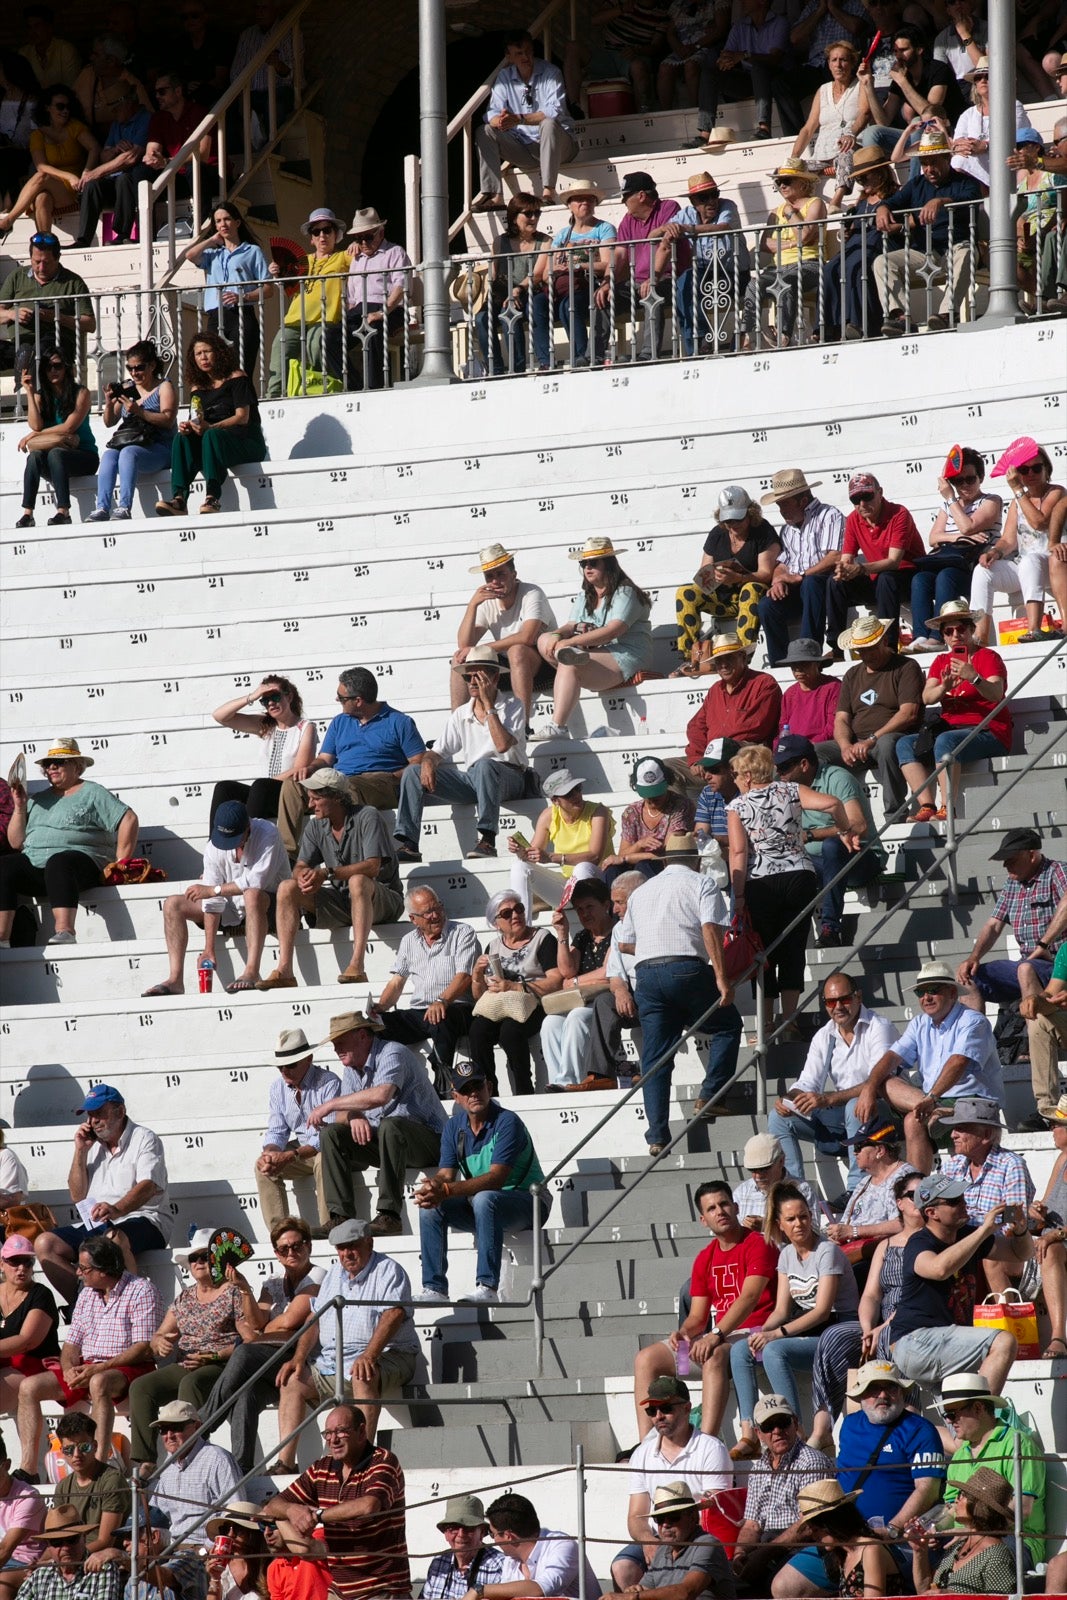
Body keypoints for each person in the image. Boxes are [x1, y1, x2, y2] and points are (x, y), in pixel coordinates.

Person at [618, 838, 741, 1151]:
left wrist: (656, 945)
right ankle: (711, 1094)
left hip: (646, 974)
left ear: (664, 862)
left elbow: (625, 943)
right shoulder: (703, 883)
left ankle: (657, 1135)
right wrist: (721, 977)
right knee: (727, 1025)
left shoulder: (641, 892)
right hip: (685, 967)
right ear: (695, 861)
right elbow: (711, 930)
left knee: (656, 1060)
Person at [727, 743, 860, 1030]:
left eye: (737, 774)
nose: (735, 779)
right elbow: (834, 804)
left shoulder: (738, 806)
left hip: (760, 882)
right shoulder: (790, 790)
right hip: (799, 875)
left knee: (763, 953)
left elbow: (738, 853)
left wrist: (737, 895)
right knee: (794, 948)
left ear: (749, 775)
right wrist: (844, 830)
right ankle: (789, 1020)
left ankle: (766, 1023)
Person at [632, 1183, 777, 1443]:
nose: (720, 1211)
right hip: (720, 1336)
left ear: (736, 1207)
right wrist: (684, 1332)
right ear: (703, 1219)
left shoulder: (759, 1244)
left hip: (756, 1337)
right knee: (646, 1359)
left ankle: (706, 1443)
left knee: (713, 1354)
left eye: (724, 1204)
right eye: (711, 1208)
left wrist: (716, 1334)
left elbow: (749, 1298)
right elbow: (698, 1316)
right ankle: (647, 1446)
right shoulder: (705, 1257)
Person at [729, 1184, 859, 1457]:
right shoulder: (787, 1255)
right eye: (791, 1219)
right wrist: (760, 1332)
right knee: (741, 1349)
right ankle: (750, 1432)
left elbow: (823, 1311)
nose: (799, 1223)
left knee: (776, 1350)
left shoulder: (827, 1252)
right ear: (780, 1224)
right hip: (810, 1331)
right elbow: (781, 1310)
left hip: (838, 1331)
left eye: (803, 1216)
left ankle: (795, 1432)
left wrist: (776, 1335)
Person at [15, 1234, 160, 1477]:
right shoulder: (87, 1294)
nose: (79, 1274)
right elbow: (71, 1344)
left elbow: (142, 1348)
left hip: (129, 1366)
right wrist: (69, 1367)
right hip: (90, 1365)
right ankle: (29, 1468)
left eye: (83, 1268)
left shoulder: (141, 1290)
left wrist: (97, 1369)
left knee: (98, 1382)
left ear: (103, 1270)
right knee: (29, 1386)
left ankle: (100, 1462)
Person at [808, 1172, 927, 1449]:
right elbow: (872, 1294)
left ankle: (905, 1422)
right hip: (880, 1322)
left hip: (913, 1319)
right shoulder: (886, 1244)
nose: (921, 1200)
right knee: (834, 1337)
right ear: (899, 1203)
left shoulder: (930, 1240)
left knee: (888, 1337)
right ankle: (823, 1426)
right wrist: (865, 1328)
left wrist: (881, 1328)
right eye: (914, 1195)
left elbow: (917, 1295)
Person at [126, 1225, 259, 1468]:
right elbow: (159, 1336)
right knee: (141, 1386)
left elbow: (248, 1340)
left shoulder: (232, 1292)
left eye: (205, 1256)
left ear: (217, 1260)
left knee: (191, 1383)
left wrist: (211, 1356)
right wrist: (160, 1342)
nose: (199, 1262)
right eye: (194, 1258)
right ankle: (146, 1461)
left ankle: (186, 1454)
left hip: (222, 1363)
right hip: (187, 1362)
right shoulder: (185, 1297)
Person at [275, 1219, 418, 1444]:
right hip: (334, 1362)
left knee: (363, 1372)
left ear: (369, 1243)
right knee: (292, 1380)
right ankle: (285, 1463)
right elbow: (316, 1318)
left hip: (391, 1355)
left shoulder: (388, 1270)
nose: (347, 1253)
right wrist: (299, 1358)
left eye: (353, 1246)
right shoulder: (333, 1274)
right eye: (341, 1248)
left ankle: (363, 1456)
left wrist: (369, 1355)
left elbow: (394, 1314)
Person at [415, 1065, 548, 1306]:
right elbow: (446, 1174)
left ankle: (488, 1286)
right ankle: (434, 1288)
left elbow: (496, 1178)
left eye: (477, 1086)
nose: (473, 1093)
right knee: (430, 1206)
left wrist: (445, 1190)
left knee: (485, 1198)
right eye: (466, 1090)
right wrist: (433, 1187)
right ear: (456, 1097)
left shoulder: (508, 1121)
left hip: (530, 1202)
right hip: (487, 1206)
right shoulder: (453, 1127)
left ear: (489, 1087)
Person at [259, 768, 403, 989]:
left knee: (357, 880)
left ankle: (357, 964)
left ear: (336, 796)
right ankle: (285, 970)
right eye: (310, 798)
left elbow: (373, 867)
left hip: (383, 900)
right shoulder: (316, 826)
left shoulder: (368, 816)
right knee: (288, 887)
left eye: (316, 799)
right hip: (343, 900)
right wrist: (303, 876)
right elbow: (300, 865)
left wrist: (326, 873)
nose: (310, 805)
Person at [202, 1215, 323, 1474]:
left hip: (302, 1357)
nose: (291, 1252)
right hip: (273, 1357)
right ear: (277, 1254)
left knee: (244, 1352)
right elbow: (258, 1319)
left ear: (309, 1246)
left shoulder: (318, 1276)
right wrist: (244, 1288)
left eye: (297, 1245)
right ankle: (242, 1468)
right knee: (246, 1393)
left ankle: (203, 1422)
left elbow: (286, 1322)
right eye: (284, 1248)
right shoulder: (273, 1281)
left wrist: (261, 1328)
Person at [309, 1009, 445, 1238]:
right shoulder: (352, 1068)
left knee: (391, 1126)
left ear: (362, 1035)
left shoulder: (393, 1052)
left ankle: (389, 1215)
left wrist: (331, 1104)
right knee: (331, 1133)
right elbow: (342, 1115)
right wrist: (354, 1116)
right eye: (334, 1043)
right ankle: (340, 1217)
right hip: (389, 1141)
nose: (336, 1049)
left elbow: (382, 1094)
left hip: (429, 1141)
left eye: (341, 1041)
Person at [32, 1082, 170, 1307]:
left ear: (120, 1111)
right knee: (44, 1243)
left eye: (99, 1113)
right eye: (90, 1114)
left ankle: (131, 1307)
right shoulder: (91, 1144)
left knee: (112, 1239)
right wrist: (80, 1151)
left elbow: (149, 1185)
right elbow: (77, 1196)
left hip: (146, 1220)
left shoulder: (144, 1138)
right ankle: (85, 1308)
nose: (93, 1120)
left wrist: (117, 1209)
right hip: (99, 1223)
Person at [856, 962, 1003, 1172]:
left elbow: (958, 1062)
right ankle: (934, 1114)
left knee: (911, 1120)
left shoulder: (973, 1021)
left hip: (972, 1102)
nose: (926, 997)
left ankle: (917, 1190)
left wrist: (931, 1097)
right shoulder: (919, 1023)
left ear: (952, 993)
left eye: (933, 990)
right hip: (936, 1101)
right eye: (921, 992)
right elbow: (891, 1057)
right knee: (884, 1082)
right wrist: (869, 1088)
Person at [885, 1171, 1018, 1394]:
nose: (964, 1204)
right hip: (916, 1341)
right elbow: (939, 1269)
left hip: (942, 1342)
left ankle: (976, 1418)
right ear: (931, 1212)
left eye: (963, 1198)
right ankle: (982, 1409)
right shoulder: (918, 1243)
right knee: (1003, 1342)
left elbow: (1017, 1254)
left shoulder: (966, 1234)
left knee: (964, 1422)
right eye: (955, 1201)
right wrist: (984, 1231)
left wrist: (1022, 1230)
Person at [394, 646, 528, 864]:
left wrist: (489, 706)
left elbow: (502, 745)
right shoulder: (462, 713)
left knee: (485, 765)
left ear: (493, 678)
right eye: (468, 676)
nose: (472, 682)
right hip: (476, 778)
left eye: (478, 675)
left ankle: (487, 839)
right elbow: (437, 751)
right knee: (413, 772)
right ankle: (409, 844)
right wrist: (428, 763)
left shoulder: (513, 705)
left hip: (510, 776)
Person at [142, 799, 290, 997]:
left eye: (235, 838)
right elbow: (211, 898)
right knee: (172, 904)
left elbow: (256, 882)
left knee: (252, 895)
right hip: (232, 907)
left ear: (248, 827)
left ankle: (252, 971)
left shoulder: (268, 833)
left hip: (272, 907)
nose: (229, 845)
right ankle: (175, 979)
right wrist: (208, 949)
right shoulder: (214, 845)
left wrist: (214, 890)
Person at [0, 738, 137, 950]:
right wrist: (19, 807)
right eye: (48, 764)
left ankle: (65, 931)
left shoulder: (92, 791)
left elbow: (128, 819)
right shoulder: (37, 800)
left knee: (59, 861)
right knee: (5, 864)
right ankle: (2, 938)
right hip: (38, 866)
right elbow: (16, 842)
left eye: (60, 762)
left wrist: (121, 861)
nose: (52, 767)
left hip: (79, 865)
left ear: (77, 766)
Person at [263, 1400, 408, 1600]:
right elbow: (273, 1506)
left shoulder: (383, 1461)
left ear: (361, 1431)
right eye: (328, 1434)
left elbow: (369, 1505)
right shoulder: (322, 1468)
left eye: (340, 1431)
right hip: (340, 1590)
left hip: (381, 1589)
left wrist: (317, 1516)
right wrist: (291, 1511)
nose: (333, 1440)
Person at [274, 667, 425, 859]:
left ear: (359, 701)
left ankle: (349, 853)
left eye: (341, 697)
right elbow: (326, 759)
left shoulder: (399, 722)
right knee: (293, 785)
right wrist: (310, 768)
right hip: (340, 778)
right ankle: (287, 854)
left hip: (380, 780)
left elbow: (418, 762)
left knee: (348, 786)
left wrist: (395, 776)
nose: (337, 700)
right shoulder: (340, 722)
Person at [612, 1377, 732, 1590]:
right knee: (623, 1567)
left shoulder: (711, 1449)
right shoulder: (642, 1454)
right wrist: (649, 1541)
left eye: (666, 1408)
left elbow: (714, 1513)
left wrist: (670, 1546)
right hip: (658, 1534)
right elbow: (635, 1516)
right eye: (652, 1410)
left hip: (694, 1537)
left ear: (687, 1408)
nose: (658, 1416)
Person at [896, 601, 1011, 824]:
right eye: (949, 631)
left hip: (989, 729)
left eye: (961, 629)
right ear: (944, 637)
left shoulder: (988, 657)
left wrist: (974, 677)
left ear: (971, 630)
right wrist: (944, 688)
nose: (956, 635)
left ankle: (948, 808)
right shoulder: (940, 661)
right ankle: (927, 806)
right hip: (954, 728)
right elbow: (927, 698)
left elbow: (996, 693)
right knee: (903, 744)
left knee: (945, 741)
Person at [534, 537, 653, 740]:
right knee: (544, 639)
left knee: (569, 663)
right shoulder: (586, 594)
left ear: (608, 563)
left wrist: (570, 642)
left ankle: (558, 726)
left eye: (593, 562)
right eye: (583, 563)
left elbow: (613, 630)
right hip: (597, 653)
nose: (587, 567)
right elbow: (571, 626)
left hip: (625, 654)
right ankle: (571, 659)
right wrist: (557, 636)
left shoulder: (626, 592)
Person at [772, 735, 883, 949]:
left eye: (785, 767)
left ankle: (830, 928)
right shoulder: (784, 788)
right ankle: (786, 940)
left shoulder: (837, 778)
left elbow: (858, 826)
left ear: (804, 764)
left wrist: (812, 835)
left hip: (860, 858)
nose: (780, 774)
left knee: (832, 845)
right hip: (819, 864)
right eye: (778, 767)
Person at [871, 125, 983, 335]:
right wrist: (882, 209)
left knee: (967, 253)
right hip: (924, 253)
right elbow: (892, 201)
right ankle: (900, 317)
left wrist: (941, 201)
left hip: (955, 248)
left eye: (933, 162)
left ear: (946, 159)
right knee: (882, 262)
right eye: (924, 163)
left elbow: (971, 198)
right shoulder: (916, 184)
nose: (929, 169)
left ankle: (946, 314)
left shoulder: (965, 181)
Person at [372, 886, 480, 1083]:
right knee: (375, 1027)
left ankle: (443, 1084)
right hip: (421, 1011)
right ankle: (385, 1083)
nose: (435, 915)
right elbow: (397, 982)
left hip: (456, 1008)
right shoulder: (408, 941)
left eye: (437, 908)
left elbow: (465, 976)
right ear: (413, 919)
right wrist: (380, 1007)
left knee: (439, 1019)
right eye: (427, 912)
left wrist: (442, 1001)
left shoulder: (463, 932)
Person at [941, 1373, 1045, 1571]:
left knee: (968, 1566)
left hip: (1017, 1541)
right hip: (967, 1540)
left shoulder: (1018, 1443)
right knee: (920, 1553)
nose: (949, 1421)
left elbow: (1022, 1510)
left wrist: (975, 1532)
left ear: (979, 1408)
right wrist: (929, 1529)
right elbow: (950, 1508)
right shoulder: (960, 1454)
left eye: (952, 1414)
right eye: (946, 1415)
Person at [155, 331, 265, 517]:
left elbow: (242, 417)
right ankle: (179, 499)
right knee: (182, 438)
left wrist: (210, 428)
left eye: (207, 351)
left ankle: (212, 497)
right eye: (198, 354)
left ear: (219, 353)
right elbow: (197, 417)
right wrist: (190, 426)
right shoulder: (197, 388)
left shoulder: (237, 377)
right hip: (214, 442)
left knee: (211, 435)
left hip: (245, 441)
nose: (203, 357)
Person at [956, 827, 1066, 1011]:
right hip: (1028, 962)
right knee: (967, 978)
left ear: (1031, 855)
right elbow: (993, 925)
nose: (1005, 865)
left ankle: (1037, 1036)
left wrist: (1044, 944)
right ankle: (976, 1038)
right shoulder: (1012, 884)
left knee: (1025, 970)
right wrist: (973, 957)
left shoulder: (1058, 871)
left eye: (1011, 860)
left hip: (1058, 964)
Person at [939, 1096, 1038, 1298]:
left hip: (1005, 1246)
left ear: (985, 1134)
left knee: (987, 1254)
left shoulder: (1011, 1164)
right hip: (961, 1241)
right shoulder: (952, 1165)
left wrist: (980, 1234)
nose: (953, 1135)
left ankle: (1006, 1321)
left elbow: (1014, 1220)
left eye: (961, 1128)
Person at [674, 485, 781, 668]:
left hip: (751, 594)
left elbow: (766, 573)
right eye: (728, 520)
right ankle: (689, 658)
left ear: (750, 513)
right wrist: (713, 575)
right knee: (685, 593)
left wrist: (739, 578)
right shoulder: (718, 533)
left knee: (751, 589)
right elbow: (703, 571)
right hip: (722, 598)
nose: (732, 524)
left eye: (737, 518)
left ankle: (742, 657)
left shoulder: (763, 531)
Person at [467, 890, 561, 1094]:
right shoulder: (492, 946)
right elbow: (479, 995)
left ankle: (523, 1091)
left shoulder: (542, 938)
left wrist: (516, 987)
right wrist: (476, 973)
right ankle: (487, 1091)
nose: (516, 915)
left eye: (519, 909)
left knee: (510, 1031)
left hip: (535, 1003)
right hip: (502, 1005)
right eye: (507, 913)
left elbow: (556, 981)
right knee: (477, 1031)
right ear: (495, 923)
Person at [971, 439, 1065, 643]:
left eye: (1036, 468)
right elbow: (1008, 539)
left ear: (1046, 469)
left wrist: (1018, 490)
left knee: (1030, 561)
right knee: (982, 572)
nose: (1030, 474)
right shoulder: (1018, 500)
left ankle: (1034, 629)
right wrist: (994, 552)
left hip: (1054, 565)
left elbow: (1039, 522)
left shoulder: (1056, 492)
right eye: (1024, 469)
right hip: (1026, 566)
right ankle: (980, 636)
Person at [906, 452, 1002, 649]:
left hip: (974, 567)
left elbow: (968, 526)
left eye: (970, 479)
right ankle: (921, 635)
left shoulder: (991, 500)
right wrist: (958, 537)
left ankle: (938, 636)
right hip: (952, 559)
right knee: (920, 579)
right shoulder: (948, 505)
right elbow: (934, 538)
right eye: (958, 481)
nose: (964, 485)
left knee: (945, 576)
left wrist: (951, 498)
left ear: (981, 478)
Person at [832, 612, 924, 819]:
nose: (865, 655)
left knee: (887, 744)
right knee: (813, 755)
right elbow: (841, 718)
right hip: (857, 743)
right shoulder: (852, 674)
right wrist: (845, 745)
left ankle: (895, 814)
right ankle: (828, 819)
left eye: (870, 648)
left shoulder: (906, 667)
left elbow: (908, 713)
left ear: (884, 641)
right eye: (860, 650)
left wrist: (872, 739)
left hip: (893, 736)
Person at [473, 30, 577, 210]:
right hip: (524, 148)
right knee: (484, 131)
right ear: (509, 56)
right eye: (519, 53)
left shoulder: (551, 72)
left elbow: (554, 110)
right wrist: (501, 120)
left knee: (548, 123)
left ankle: (548, 192)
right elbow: (491, 113)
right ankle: (494, 195)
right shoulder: (505, 77)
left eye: (528, 51)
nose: (525, 57)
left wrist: (519, 119)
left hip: (560, 147)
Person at [451, 543, 556, 722]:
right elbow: (464, 644)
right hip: (508, 668)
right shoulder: (487, 601)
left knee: (517, 650)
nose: (495, 581)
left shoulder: (531, 593)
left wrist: (481, 648)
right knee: (459, 658)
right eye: (489, 576)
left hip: (545, 667)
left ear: (513, 575)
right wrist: (472, 605)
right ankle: (457, 725)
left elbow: (527, 637)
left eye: (501, 574)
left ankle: (522, 726)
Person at [731, 1397, 830, 1585]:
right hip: (769, 1545)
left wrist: (763, 1554)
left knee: (775, 1582)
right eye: (769, 1426)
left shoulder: (811, 1462)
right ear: (758, 1433)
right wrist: (740, 1553)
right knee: (722, 1579)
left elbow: (809, 1524)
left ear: (794, 1423)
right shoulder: (758, 1468)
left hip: (802, 1546)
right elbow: (752, 1524)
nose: (777, 1431)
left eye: (782, 1423)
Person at [825, 477, 926, 654]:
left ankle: (888, 646)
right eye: (856, 500)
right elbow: (847, 559)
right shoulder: (853, 519)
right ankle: (836, 647)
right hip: (879, 580)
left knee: (886, 578)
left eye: (867, 497)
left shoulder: (899, 513)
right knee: (835, 582)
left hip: (907, 577)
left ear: (880, 493)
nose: (862, 504)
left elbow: (894, 561)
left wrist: (861, 569)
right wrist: (842, 570)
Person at [254, 1031, 341, 1233]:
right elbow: (277, 1130)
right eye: (280, 1066)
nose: (284, 1070)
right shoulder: (278, 1088)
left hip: (327, 1148)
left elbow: (327, 1135)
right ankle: (280, 1233)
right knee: (263, 1166)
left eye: (291, 1064)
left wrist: (290, 1155)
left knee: (324, 1158)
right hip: (303, 1149)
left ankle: (329, 1226)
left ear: (308, 1059)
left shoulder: (329, 1083)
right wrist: (270, 1154)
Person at [598, 171, 691, 362]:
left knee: (651, 292)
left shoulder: (668, 207)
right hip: (638, 281)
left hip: (668, 277)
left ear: (641, 196)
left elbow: (666, 244)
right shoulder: (627, 220)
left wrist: (653, 277)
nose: (623, 202)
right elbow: (619, 253)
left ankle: (648, 354)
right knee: (603, 298)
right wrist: (607, 283)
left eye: (625, 196)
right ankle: (595, 355)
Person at [756, 470, 845, 667]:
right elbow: (781, 564)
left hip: (825, 585)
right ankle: (779, 663)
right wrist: (778, 580)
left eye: (784, 504)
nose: (781, 510)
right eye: (780, 505)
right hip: (800, 585)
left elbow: (835, 556)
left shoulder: (830, 515)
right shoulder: (787, 529)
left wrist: (803, 576)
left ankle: (807, 652)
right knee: (766, 604)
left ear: (803, 501)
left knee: (811, 584)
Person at [209, 675, 318, 830]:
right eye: (265, 700)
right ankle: (215, 847)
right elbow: (219, 716)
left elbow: (298, 770)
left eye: (275, 696)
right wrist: (252, 697)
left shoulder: (306, 727)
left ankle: (249, 841)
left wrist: (262, 786)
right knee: (225, 788)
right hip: (262, 792)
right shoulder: (266, 725)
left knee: (261, 786)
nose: (271, 703)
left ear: (289, 696)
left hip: (290, 794)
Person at [570, 868, 644, 1093]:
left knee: (653, 994)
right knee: (604, 1001)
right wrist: (620, 991)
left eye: (620, 902)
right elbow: (614, 973)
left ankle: (650, 1067)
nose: (616, 908)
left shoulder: (653, 923)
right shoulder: (620, 929)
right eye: (615, 902)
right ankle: (600, 1075)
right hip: (629, 994)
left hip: (653, 990)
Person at [741, 160, 826, 352]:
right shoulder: (774, 212)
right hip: (777, 267)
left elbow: (804, 235)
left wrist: (790, 213)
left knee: (785, 280)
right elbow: (764, 244)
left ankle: (783, 334)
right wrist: (791, 244)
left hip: (808, 264)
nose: (782, 186)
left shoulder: (815, 204)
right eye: (779, 182)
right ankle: (746, 334)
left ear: (803, 182)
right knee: (754, 284)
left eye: (786, 181)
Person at [541, 879, 617, 1089]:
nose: (584, 914)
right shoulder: (583, 937)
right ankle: (558, 1081)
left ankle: (569, 1081)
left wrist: (574, 982)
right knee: (550, 1023)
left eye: (590, 907)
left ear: (606, 905)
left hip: (605, 1001)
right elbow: (566, 970)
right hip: (584, 1000)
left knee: (577, 1017)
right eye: (580, 909)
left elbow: (608, 973)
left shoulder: (617, 932)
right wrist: (563, 934)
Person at [265, 207, 348, 399]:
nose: (322, 236)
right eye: (316, 232)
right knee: (279, 349)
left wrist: (356, 248)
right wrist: (276, 271)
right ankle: (273, 397)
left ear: (336, 234)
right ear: (311, 238)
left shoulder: (343, 257)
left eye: (327, 230)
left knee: (317, 348)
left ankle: (322, 391)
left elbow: (368, 260)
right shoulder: (301, 260)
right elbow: (284, 286)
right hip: (294, 319)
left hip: (325, 319)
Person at [90, 339, 176, 522]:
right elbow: (109, 422)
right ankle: (102, 508)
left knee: (128, 453)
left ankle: (124, 507)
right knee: (109, 456)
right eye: (130, 368)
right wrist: (109, 404)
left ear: (152, 366)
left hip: (160, 448)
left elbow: (168, 420)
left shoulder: (164, 387)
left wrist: (139, 411)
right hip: (133, 444)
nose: (134, 373)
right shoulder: (128, 389)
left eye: (139, 368)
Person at [507, 768, 614, 915]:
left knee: (582, 868)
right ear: (555, 800)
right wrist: (520, 851)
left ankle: (587, 918)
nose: (576, 795)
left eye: (577, 788)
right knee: (519, 867)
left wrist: (552, 857)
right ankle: (523, 928)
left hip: (599, 883)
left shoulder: (598, 812)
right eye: (568, 794)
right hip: (569, 885)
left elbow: (595, 856)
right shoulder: (548, 816)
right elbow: (532, 856)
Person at [817, 147, 897, 342]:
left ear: (879, 174)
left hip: (879, 242)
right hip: (856, 242)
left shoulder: (894, 197)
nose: (860, 182)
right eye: (858, 179)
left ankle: (861, 323)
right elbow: (854, 226)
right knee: (829, 269)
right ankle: (831, 325)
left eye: (864, 178)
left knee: (857, 268)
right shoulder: (861, 202)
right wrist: (847, 230)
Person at [607, 1481, 737, 1600]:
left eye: (673, 1517)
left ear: (692, 1517)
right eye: (660, 1519)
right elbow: (645, 1588)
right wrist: (633, 1591)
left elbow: (687, 1592)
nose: (665, 1525)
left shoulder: (707, 1544)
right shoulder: (662, 1549)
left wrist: (633, 1596)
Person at [183, 200, 272, 374]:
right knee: (215, 368)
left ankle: (245, 401)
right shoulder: (213, 253)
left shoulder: (252, 251)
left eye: (227, 219)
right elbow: (190, 255)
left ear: (237, 222)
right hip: (216, 315)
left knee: (241, 367)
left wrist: (244, 297)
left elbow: (268, 289)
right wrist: (211, 240)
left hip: (241, 313)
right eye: (218, 221)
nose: (223, 224)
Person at [695, 0, 803, 144]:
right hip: (749, 80)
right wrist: (724, 61)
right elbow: (727, 53)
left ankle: (764, 129)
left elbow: (775, 58)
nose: (743, 2)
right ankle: (704, 134)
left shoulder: (780, 23)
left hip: (775, 77)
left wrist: (745, 55)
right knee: (710, 73)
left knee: (758, 67)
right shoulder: (740, 26)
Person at [782, 1479, 909, 1600]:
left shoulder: (870, 1549)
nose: (814, 1537)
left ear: (832, 1523)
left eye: (816, 1530)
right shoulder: (844, 1553)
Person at [15, 344, 97, 527]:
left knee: (55, 453)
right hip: (54, 460)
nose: (53, 371)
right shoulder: (41, 396)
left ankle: (63, 511)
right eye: (48, 367)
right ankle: (28, 513)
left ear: (67, 367)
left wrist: (32, 435)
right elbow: (35, 424)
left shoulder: (81, 393)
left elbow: (69, 427)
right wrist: (29, 392)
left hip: (84, 456)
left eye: (58, 366)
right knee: (34, 456)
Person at [0, 85, 98, 236]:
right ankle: (46, 244)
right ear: (47, 108)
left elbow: (94, 148)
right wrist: (67, 176)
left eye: (68, 106)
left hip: (76, 189)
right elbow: (41, 166)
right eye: (60, 106)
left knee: (41, 178)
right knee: (41, 198)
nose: (65, 110)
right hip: (55, 186)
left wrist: (86, 172)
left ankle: (9, 220)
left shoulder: (75, 127)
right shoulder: (37, 135)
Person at [672, 171, 750, 359]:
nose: (712, 200)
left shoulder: (727, 205)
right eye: (704, 197)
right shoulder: (686, 214)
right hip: (704, 274)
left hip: (734, 275)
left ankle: (702, 340)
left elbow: (721, 228)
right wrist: (667, 230)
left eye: (714, 193)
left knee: (688, 282)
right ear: (693, 202)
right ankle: (698, 345)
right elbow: (654, 236)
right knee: (683, 284)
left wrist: (686, 230)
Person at [0, 231, 94, 383]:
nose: (41, 267)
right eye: (36, 262)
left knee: (42, 354)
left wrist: (56, 317)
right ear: (30, 258)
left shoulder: (73, 282)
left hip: (57, 344)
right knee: (29, 354)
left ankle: (37, 400)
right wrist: (12, 314)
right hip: (20, 345)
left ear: (58, 259)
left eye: (47, 262)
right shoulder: (17, 276)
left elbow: (90, 324)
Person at [683, 632, 783, 776]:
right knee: (666, 770)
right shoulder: (715, 690)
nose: (723, 665)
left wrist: (715, 750)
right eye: (718, 660)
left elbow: (755, 728)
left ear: (742, 657)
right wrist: (696, 758)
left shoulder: (764, 683)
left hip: (745, 755)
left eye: (729, 658)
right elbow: (696, 727)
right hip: (712, 756)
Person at [475, 193, 551, 377]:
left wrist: (517, 290)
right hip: (502, 291)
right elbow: (494, 274)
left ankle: (517, 369)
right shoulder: (500, 241)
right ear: (514, 216)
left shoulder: (545, 241)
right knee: (481, 319)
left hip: (529, 291)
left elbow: (538, 274)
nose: (534, 218)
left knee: (510, 313)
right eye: (528, 213)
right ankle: (496, 369)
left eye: (537, 213)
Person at [908, 1467, 1017, 1594]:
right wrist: (919, 1551)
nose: (956, 1500)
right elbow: (925, 1592)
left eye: (962, 1495)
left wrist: (952, 1596)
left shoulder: (997, 1556)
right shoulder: (958, 1547)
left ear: (979, 1506)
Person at [543, 181, 616, 366]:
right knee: (544, 305)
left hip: (592, 284)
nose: (584, 202)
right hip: (566, 287)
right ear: (569, 205)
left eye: (589, 199)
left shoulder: (604, 229)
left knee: (569, 306)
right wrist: (559, 268)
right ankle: (551, 360)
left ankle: (582, 356)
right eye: (578, 199)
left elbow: (607, 263)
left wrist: (579, 266)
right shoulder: (562, 235)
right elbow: (548, 271)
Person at [70, 81, 151, 246]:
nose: (112, 112)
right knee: (92, 185)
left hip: (135, 181)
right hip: (115, 183)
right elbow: (103, 156)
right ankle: (83, 239)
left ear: (128, 102)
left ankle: (122, 234)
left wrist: (96, 172)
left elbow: (132, 157)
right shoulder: (116, 125)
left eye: (115, 107)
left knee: (123, 179)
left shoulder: (146, 119)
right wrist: (115, 150)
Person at [149, 1400, 241, 1544]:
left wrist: (211, 1547)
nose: (169, 1435)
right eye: (163, 1430)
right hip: (172, 1549)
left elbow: (235, 1510)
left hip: (204, 1550)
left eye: (176, 1427)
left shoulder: (218, 1459)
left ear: (197, 1427)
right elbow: (159, 1514)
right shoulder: (167, 1466)